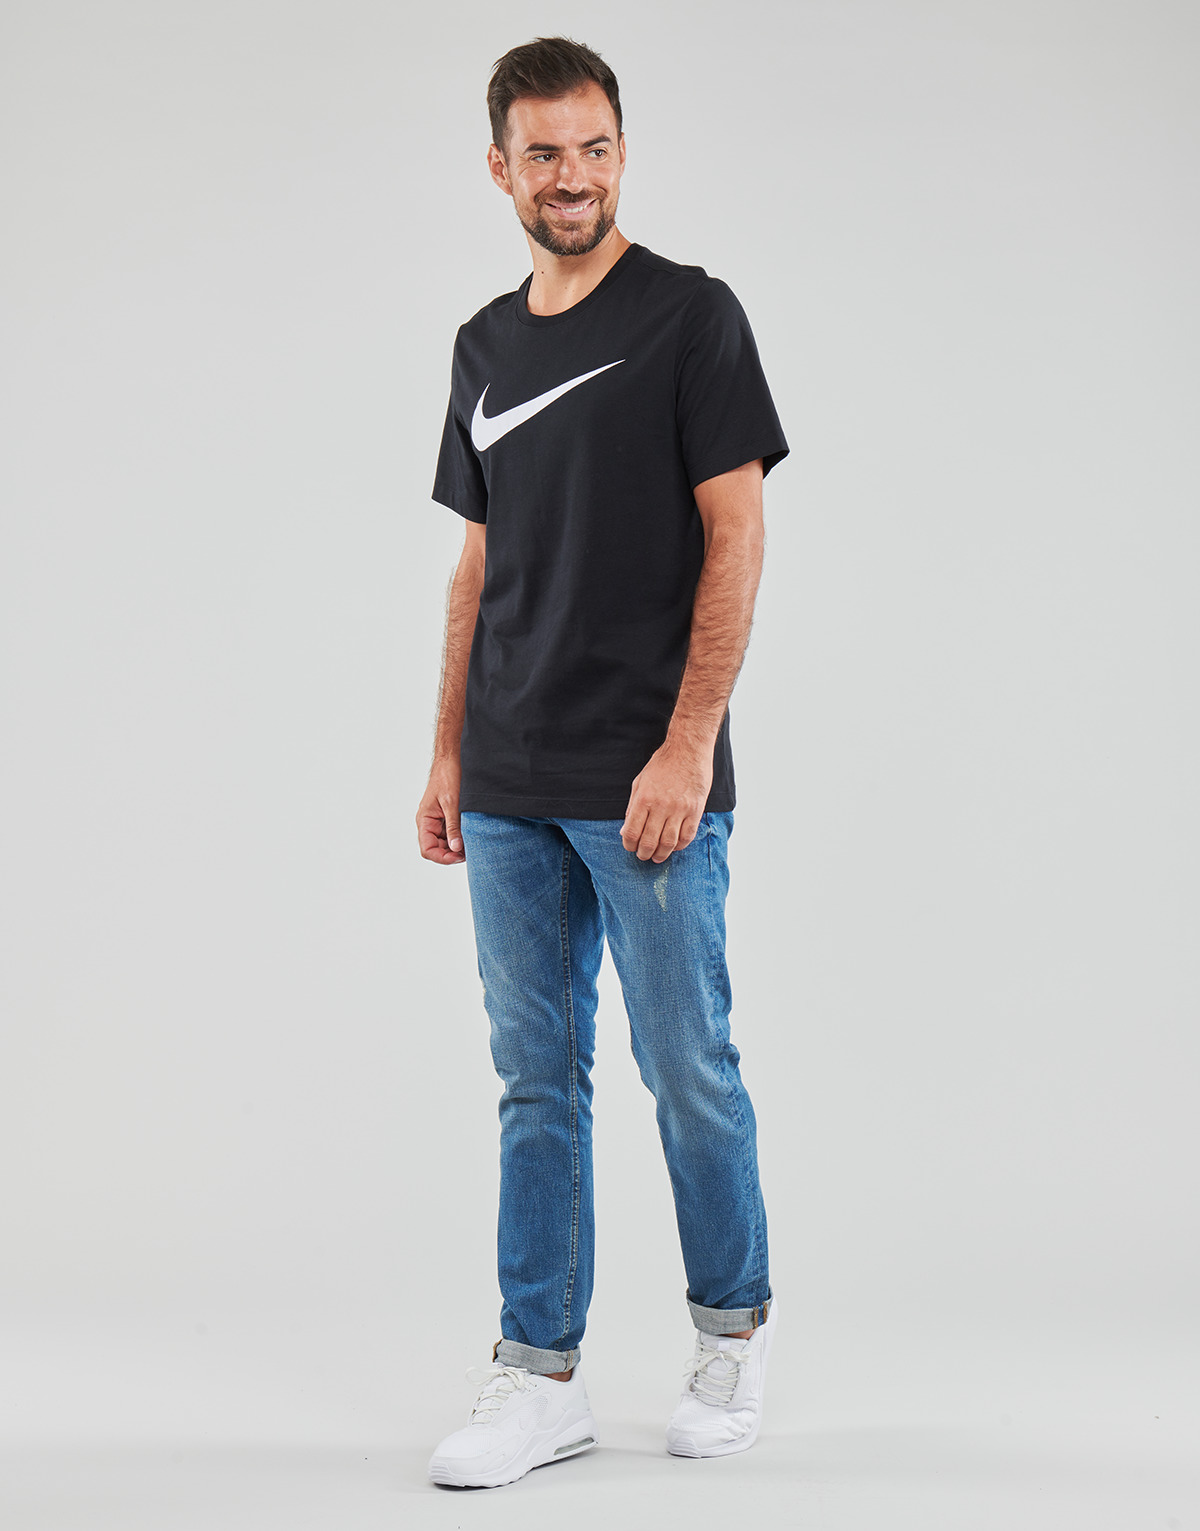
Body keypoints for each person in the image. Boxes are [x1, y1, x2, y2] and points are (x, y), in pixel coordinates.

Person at [417, 35, 789, 1489]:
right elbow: (476, 569)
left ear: (620, 154)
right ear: (500, 168)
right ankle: (540, 1378)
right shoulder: (482, 345)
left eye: (593, 149)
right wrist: (446, 754)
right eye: (543, 154)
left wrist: (687, 746)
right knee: (535, 1080)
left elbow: (738, 535)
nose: (570, 177)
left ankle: (730, 1336)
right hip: (510, 776)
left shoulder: (692, 317)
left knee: (687, 1064)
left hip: (647, 778)